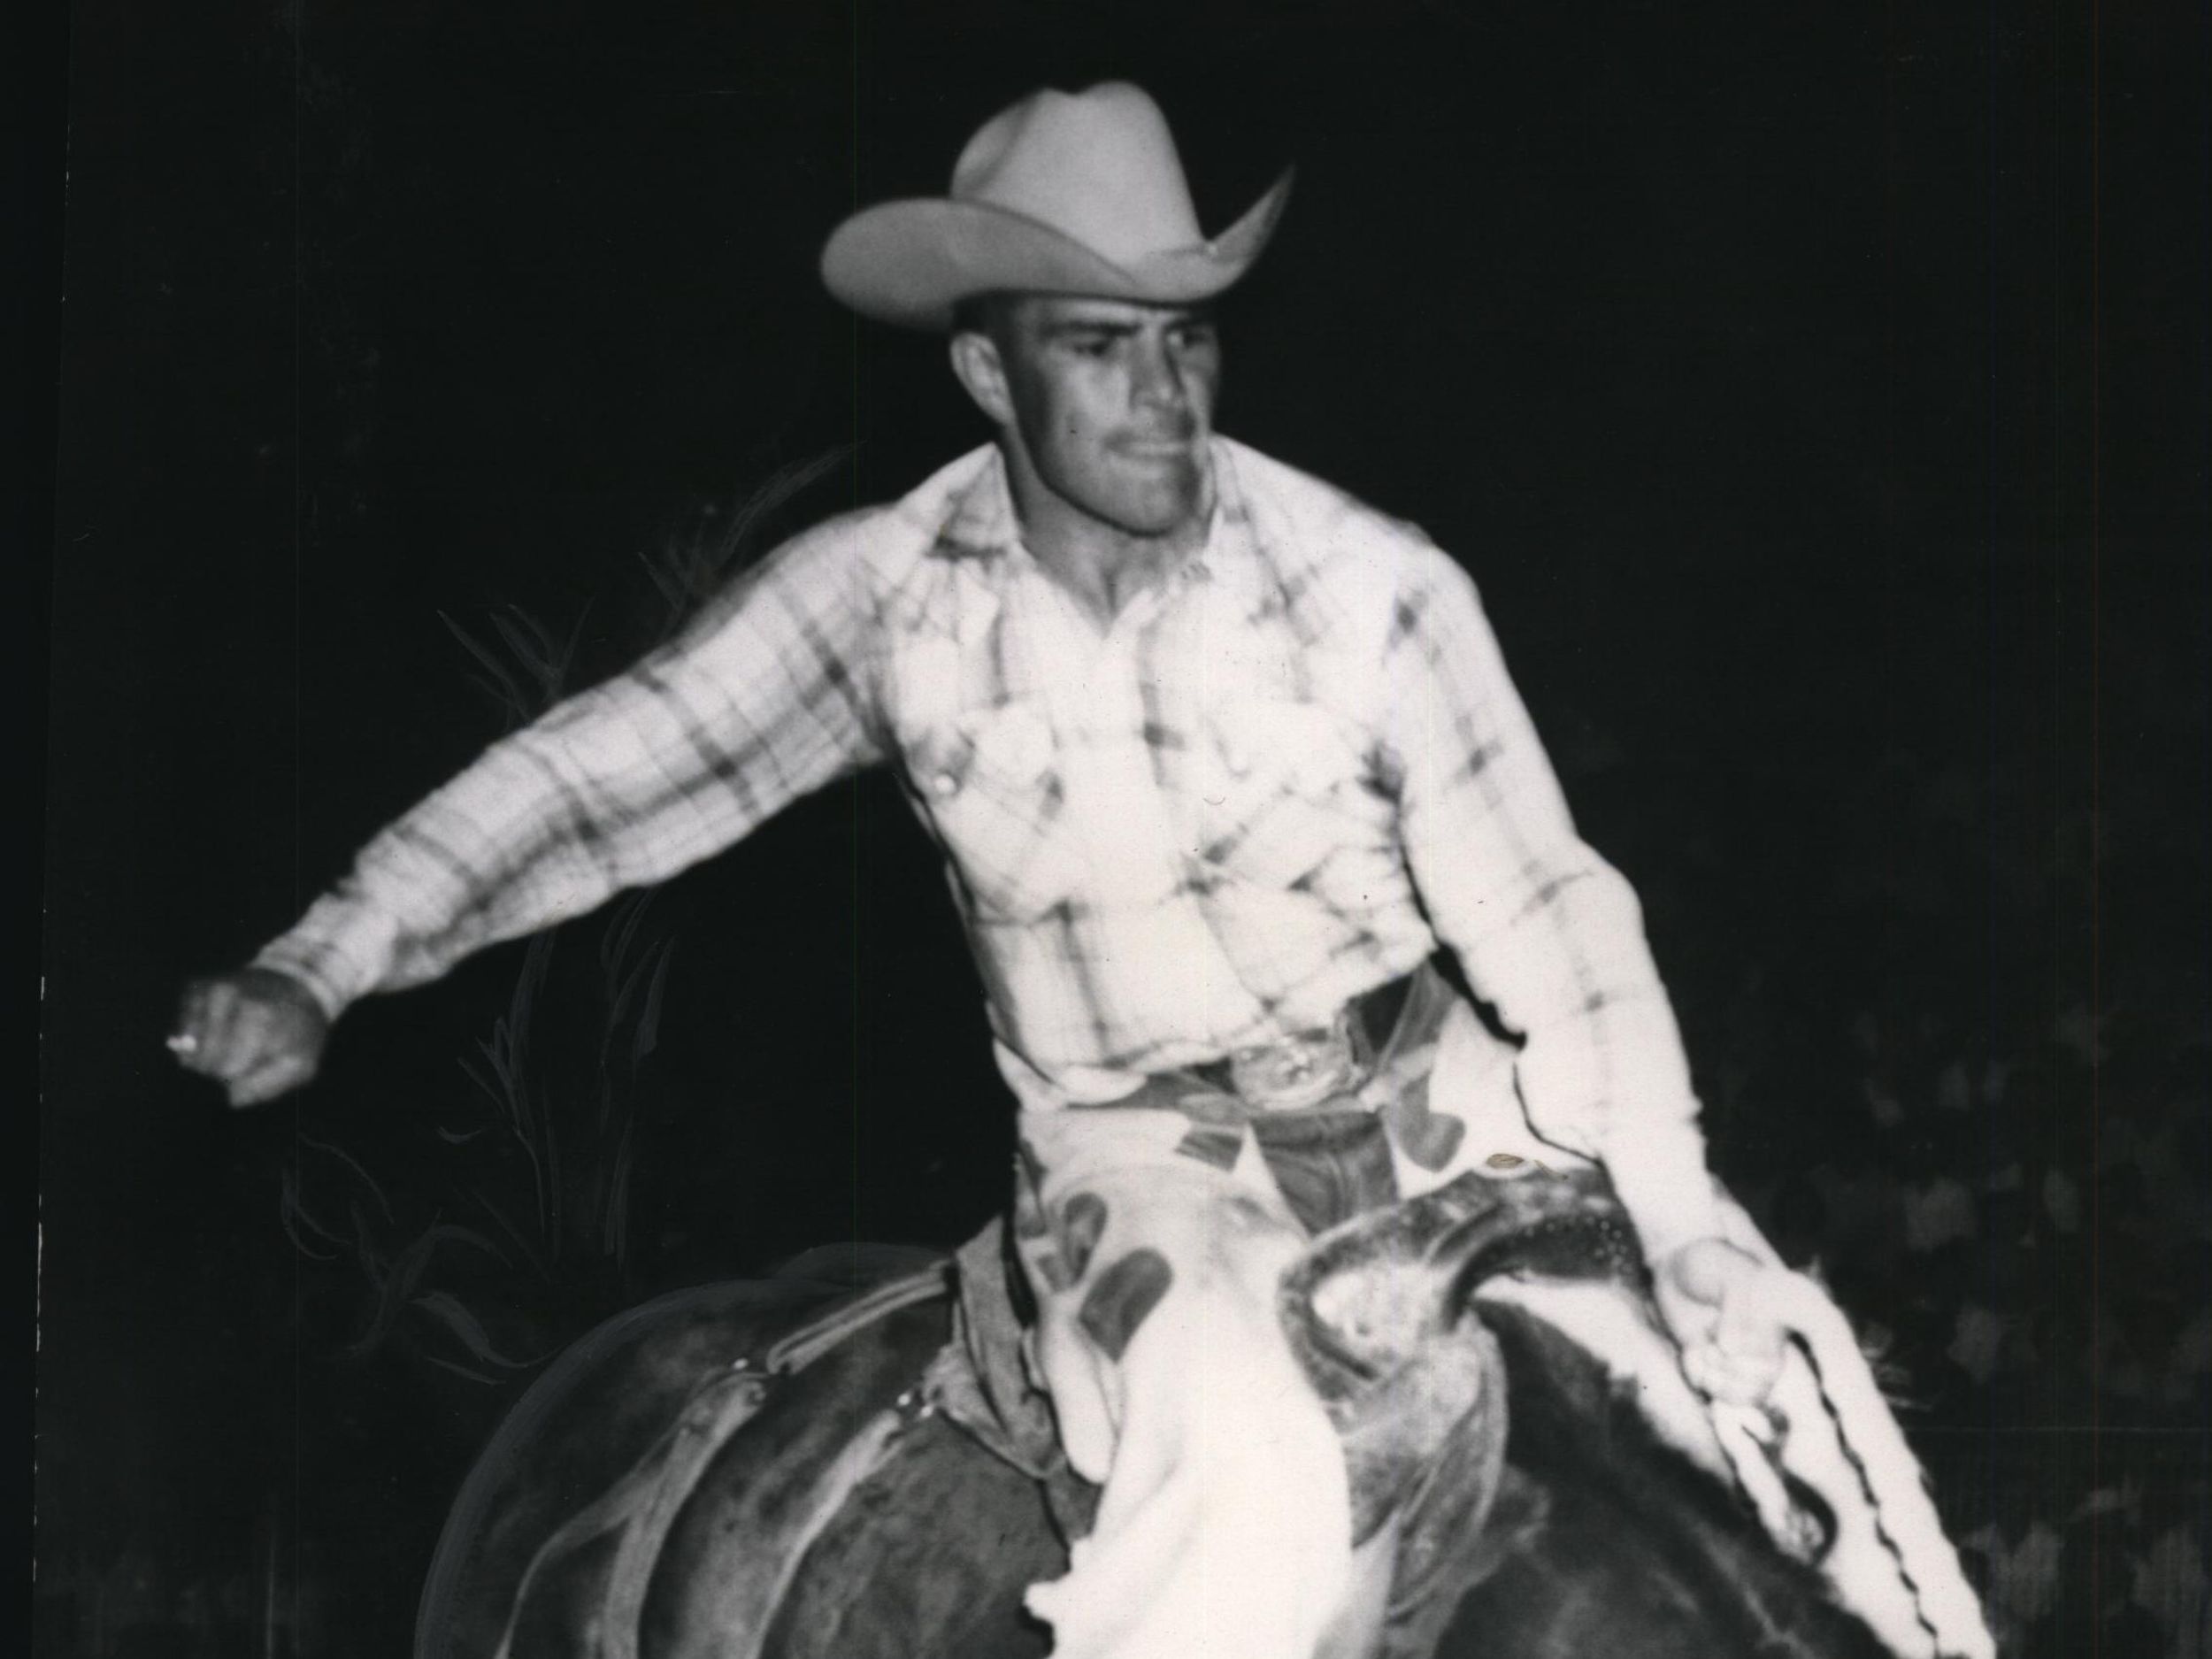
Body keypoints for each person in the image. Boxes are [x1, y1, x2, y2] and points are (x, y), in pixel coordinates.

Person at [175, 82, 1799, 1659]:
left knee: (1779, 1440)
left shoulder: (1371, 589)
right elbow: (602, 778)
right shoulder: (891, 606)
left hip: (1450, 1117)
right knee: (1240, 1476)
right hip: (1153, 1160)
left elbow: (1548, 908)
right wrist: (331, 956)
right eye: (1100, 347)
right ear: (986, 370)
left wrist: (1678, 1209)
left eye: (1188, 337)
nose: (1165, 392)